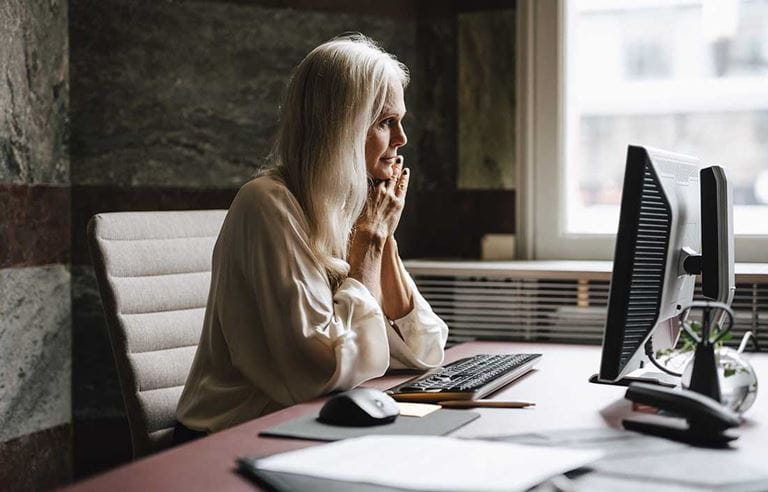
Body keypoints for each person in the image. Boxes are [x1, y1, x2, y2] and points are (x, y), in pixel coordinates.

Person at [174, 34, 448, 443]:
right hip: (233, 435)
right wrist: (370, 240)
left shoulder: (347, 208)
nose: (402, 140)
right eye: (385, 122)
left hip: (307, 425)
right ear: (343, 128)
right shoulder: (268, 203)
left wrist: (382, 236)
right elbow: (326, 371)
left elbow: (425, 348)